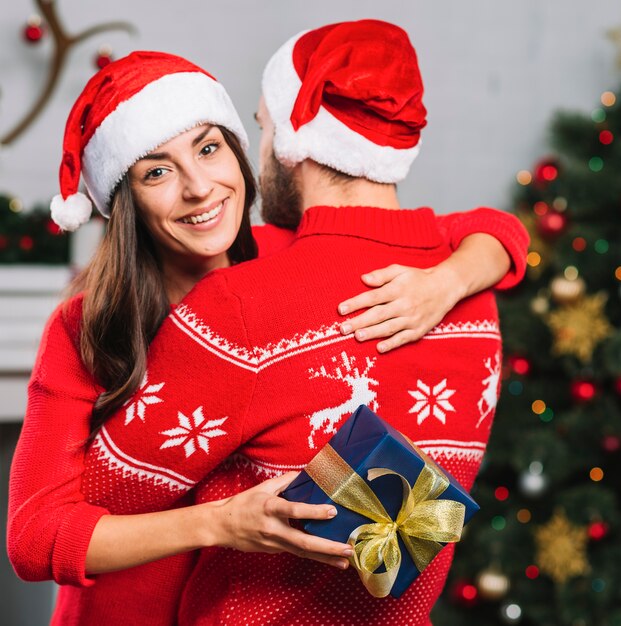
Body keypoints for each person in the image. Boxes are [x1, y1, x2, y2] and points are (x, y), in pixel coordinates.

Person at [6, 36, 527, 626]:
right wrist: (218, 522)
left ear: (239, 151)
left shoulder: (281, 267)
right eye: (158, 171)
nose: (199, 187)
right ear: (124, 200)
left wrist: (452, 278)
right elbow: (33, 536)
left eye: (208, 149)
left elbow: (484, 227)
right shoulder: (86, 327)